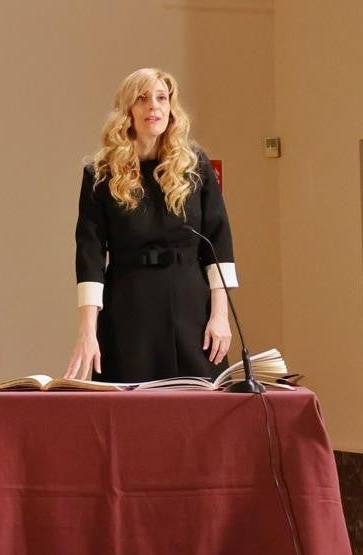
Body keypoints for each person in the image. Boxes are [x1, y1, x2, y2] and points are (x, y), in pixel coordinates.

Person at [64, 68, 237, 383]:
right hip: (129, 304)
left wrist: (220, 315)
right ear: (127, 110)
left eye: (161, 98)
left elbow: (218, 241)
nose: (153, 107)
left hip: (191, 304)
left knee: (201, 408)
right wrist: (87, 331)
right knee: (131, 409)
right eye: (142, 99)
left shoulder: (195, 166)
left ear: (172, 108)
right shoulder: (100, 174)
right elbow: (89, 254)